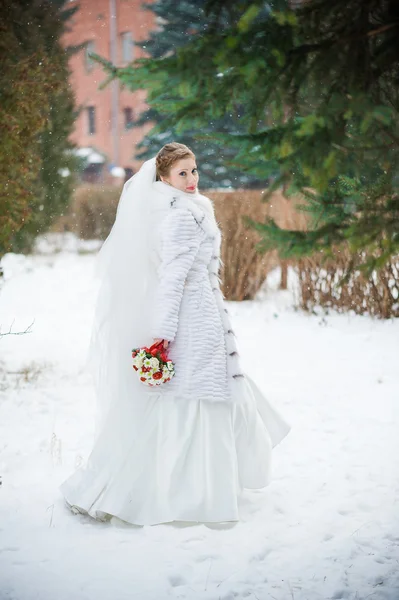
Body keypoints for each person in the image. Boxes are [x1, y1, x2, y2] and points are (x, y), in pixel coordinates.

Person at [60, 142, 290, 526]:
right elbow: (172, 279)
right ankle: (184, 490)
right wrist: (163, 334)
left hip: (204, 310)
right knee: (196, 392)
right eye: (181, 173)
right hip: (192, 317)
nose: (191, 179)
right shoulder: (182, 216)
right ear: (163, 177)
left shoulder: (189, 209)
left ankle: (195, 484)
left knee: (199, 391)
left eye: (194, 170)